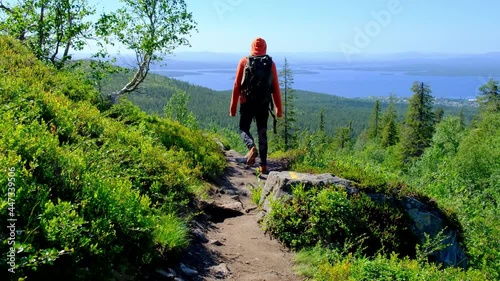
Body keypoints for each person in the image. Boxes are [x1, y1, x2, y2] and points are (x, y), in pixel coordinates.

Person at [229, 37, 283, 174]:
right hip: (263, 103)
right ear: (265, 48)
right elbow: (275, 88)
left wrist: (233, 108)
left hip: (247, 102)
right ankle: (263, 166)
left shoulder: (244, 61)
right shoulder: (270, 64)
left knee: (243, 128)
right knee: (262, 132)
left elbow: (236, 86)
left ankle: (251, 147)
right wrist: (278, 110)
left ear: (251, 47)